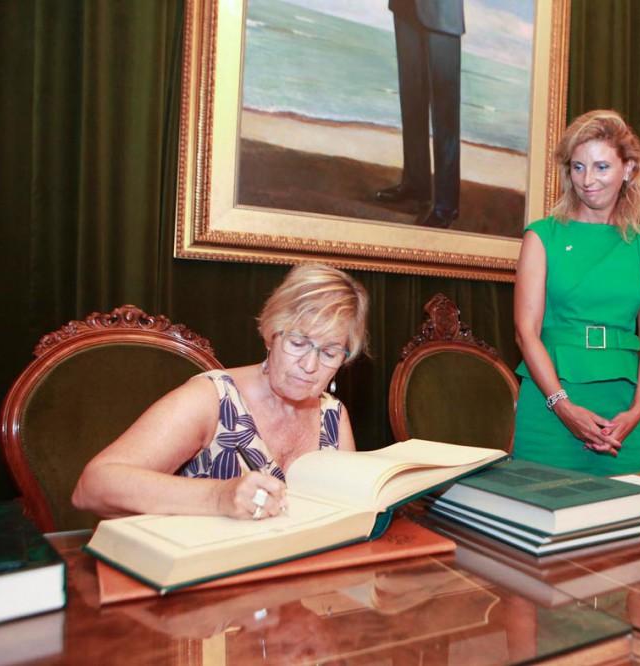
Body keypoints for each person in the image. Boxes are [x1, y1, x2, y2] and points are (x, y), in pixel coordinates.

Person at [72, 264, 369, 520]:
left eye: (329, 352)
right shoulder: (211, 399)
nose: (309, 365)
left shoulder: (333, 416)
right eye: (298, 343)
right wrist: (217, 497)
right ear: (270, 335)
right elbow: (92, 487)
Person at [513, 109, 640, 475]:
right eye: (578, 167)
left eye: (601, 167)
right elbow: (526, 332)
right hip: (551, 407)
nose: (587, 180)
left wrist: (636, 411)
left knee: (625, 511)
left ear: (628, 169)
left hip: (623, 415)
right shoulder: (542, 236)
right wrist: (563, 406)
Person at [375, 0, 464, 229]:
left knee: (445, 114)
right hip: (405, 7)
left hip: (443, 14)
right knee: (411, 99)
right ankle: (415, 184)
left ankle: (445, 206)